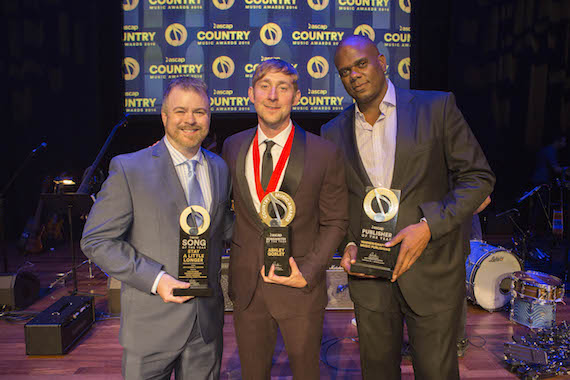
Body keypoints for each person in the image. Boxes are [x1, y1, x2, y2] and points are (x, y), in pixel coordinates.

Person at [321, 35, 495, 379]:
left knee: (436, 372)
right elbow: (339, 203)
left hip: (430, 268)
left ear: (382, 62)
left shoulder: (437, 108)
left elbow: (478, 177)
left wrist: (428, 226)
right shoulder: (332, 131)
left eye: (361, 64)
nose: (353, 75)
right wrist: (348, 244)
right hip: (370, 276)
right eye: (344, 72)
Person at [81, 77, 232, 380]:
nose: (190, 120)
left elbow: (222, 228)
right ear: (164, 116)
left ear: (209, 117)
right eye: (180, 111)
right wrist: (156, 278)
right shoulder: (129, 168)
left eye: (200, 112)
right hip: (151, 327)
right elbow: (97, 240)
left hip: (205, 327)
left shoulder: (219, 167)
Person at [221, 59, 348, 379]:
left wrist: (307, 272)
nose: (273, 95)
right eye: (265, 86)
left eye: (283, 87)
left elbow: (335, 221)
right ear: (251, 93)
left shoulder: (323, 152)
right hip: (248, 287)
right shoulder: (233, 146)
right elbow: (221, 208)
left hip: (299, 287)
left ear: (297, 96)